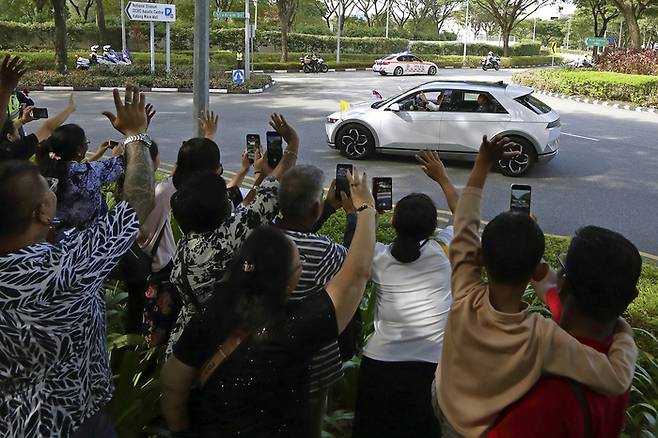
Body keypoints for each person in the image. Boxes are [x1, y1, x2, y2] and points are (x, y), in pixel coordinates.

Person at [433, 135, 638, 437]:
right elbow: (616, 377)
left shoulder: (465, 294)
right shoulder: (544, 337)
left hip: (443, 404)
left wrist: (482, 164)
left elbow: (464, 224)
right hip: (474, 431)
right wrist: (624, 335)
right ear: (537, 270)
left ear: (480, 259)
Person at [160, 169, 378, 437]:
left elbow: (172, 382)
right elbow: (356, 275)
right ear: (287, 282)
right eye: (298, 266)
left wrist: (181, 432)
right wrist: (365, 208)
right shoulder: (296, 327)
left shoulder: (212, 312)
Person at [0, 85, 156, 437]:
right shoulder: (64, 266)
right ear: (42, 212)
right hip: (71, 420)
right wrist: (137, 137)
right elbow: (135, 207)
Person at [165, 113, 300, 357]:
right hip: (221, 347)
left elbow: (254, 203)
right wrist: (293, 145)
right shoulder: (230, 236)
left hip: (184, 344)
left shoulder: (187, 240)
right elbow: (267, 198)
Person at [489, 226, 641, 438]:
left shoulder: (547, 399)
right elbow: (548, 286)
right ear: (630, 297)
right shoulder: (619, 353)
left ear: (565, 283)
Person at [352, 150, 459, 438]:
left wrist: (368, 211)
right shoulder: (443, 252)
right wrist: (443, 178)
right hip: (431, 369)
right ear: (434, 227)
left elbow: (361, 245)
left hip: (379, 365)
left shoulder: (378, 259)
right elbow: (465, 216)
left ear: (394, 224)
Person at [275, 165, 353, 437]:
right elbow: (356, 265)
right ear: (314, 210)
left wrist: (324, 209)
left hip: (266, 354)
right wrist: (355, 215)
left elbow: (297, 231)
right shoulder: (325, 252)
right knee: (309, 425)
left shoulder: (260, 236)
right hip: (313, 363)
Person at [35, 121, 124, 240]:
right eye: (86, 143)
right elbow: (121, 163)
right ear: (79, 150)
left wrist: (97, 154)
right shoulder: (89, 172)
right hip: (83, 242)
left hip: (48, 237)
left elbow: (76, 170)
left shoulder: (43, 169)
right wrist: (116, 155)